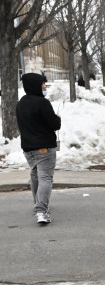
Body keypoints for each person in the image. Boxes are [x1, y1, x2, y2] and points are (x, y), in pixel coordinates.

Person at [16, 73, 62, 224]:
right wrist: (57, 118)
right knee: (45, 178)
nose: (44, 87)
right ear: (35, 85)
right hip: (44, 147)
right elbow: (55, 125)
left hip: (28, 148)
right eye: (43, 84)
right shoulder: (42, 103)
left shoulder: (21, 103)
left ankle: (38, 204)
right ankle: (41, 211)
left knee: (35, 176)